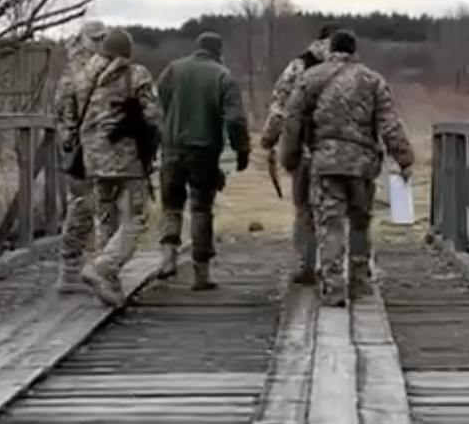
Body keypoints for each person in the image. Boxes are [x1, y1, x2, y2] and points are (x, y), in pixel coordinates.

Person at [277, 29, 416, 306]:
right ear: (354, 52)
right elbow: (389, 124)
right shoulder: (372, 80)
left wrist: (289, 157)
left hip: (325, 163)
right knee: (360, 223)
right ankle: (361, 281)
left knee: (330, 224)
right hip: (362, 165)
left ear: (330, 49)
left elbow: (292, 120)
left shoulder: (310, 78)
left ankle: (333, 286)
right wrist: (404, 158)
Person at [154, 32, 250, 288]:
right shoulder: (222, 76)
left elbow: (159, 102)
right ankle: (201, 273)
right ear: (219, 51)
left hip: (172, 148)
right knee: (201, 209)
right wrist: (242, 150)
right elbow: (235, 119)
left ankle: (167, 260)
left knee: (171, 206)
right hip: (204, 151)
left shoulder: (173, 70)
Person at [75, 28, 162, 304]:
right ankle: (105, 267)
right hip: (126, 159)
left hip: (94, 159)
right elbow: (153, 116)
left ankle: (107, 282)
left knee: (106, 216)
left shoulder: (84, 77)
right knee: (136, 217)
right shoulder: (136, 75)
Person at [259, 24, 338, 284]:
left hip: (304, 150)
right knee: (337, 210)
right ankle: (338, 268)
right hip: (339, 152)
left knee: (304, 209)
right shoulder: (351, 69)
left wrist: (269, 139)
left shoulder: (299, 66)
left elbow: (280, 106)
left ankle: (306, 263)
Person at [49, 18, 111, 296]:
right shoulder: (76, 73)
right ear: (85, 39)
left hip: (101, 148)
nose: (99, 42)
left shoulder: (99, 67)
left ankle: (96, 269)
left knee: (99, 207)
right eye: (95, 38)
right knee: (84, 207)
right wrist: (71, 141)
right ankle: (72, 270)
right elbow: (62, 114)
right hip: (84, 150)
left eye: (103, 38)